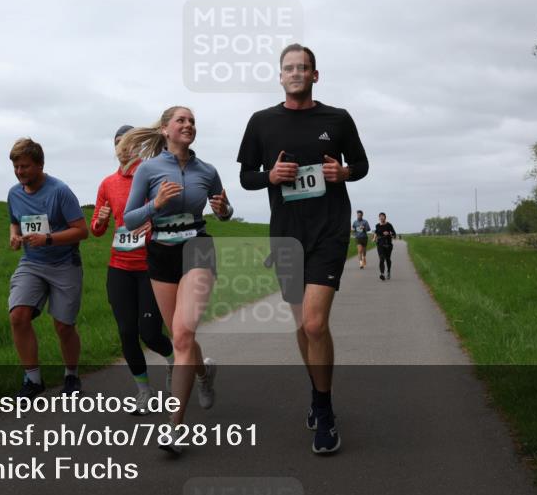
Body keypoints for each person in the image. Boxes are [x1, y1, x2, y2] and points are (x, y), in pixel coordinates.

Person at [237, 44, 368, 455]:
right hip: (287, 234)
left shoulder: (338, 119)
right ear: (280, 76)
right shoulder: (261, 122)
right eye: (289, 68)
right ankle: (317, 392)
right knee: (300, 324)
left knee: (314, 324)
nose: (296, 73)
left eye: (303, 68)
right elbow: (245, 177)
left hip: (329, 230)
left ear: (315, 75)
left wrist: (342, 171)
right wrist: (271, 175)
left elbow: (361, 166)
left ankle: (324, 411)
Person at [122, 106, 233, 454]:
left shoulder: (207, 170)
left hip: (197, 247)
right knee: (180, 337)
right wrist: (155, 204)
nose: (188, 125)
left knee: (184, 334)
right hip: (161, 252)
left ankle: (174, 427)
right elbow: (128, 219)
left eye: (192, 121)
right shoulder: (149, 169)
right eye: (181, 121)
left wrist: (223, 210)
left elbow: (224, 211)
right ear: (166, 129)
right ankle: (203, 373)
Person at [91, 124, 175, 415]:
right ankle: (144, 391)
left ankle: (175, 360)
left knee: (150, 333)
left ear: (138, 146)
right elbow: (97, 230)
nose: (123, 148)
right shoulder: (107, 184)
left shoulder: (151, 176)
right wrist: (100, 220)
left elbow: (170, 212)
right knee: (127, 332)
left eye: (128, 143)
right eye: (118, 143)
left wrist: (154, 219)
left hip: (149, 266)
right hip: (119, 267)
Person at [6, 137, 89, 398]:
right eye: (16, 167)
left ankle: (71, 376)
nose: (20, 172)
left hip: (64, 263)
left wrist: (48, 238)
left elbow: (82, 231)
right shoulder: (14, 193)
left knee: (63, 326)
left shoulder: (59, 191)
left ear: (40, 165)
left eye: (25, 167)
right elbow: (14, 221)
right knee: (17, 316)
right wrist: (14, 235)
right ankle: (33, 381)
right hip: (32, 263)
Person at [373, 212, 397, 280]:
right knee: (381, 258)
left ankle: (388, 271)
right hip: (380, 244)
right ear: (379, 218)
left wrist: (389, 233)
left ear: (385, 217)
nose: (381, 217)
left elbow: (394, 234)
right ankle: (382, 274)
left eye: (383, 216)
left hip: (388, 244)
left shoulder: (389, 225)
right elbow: (376, 232)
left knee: (388, 259)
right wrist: (374, 238)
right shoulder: (377, 225)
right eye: (380, 216)